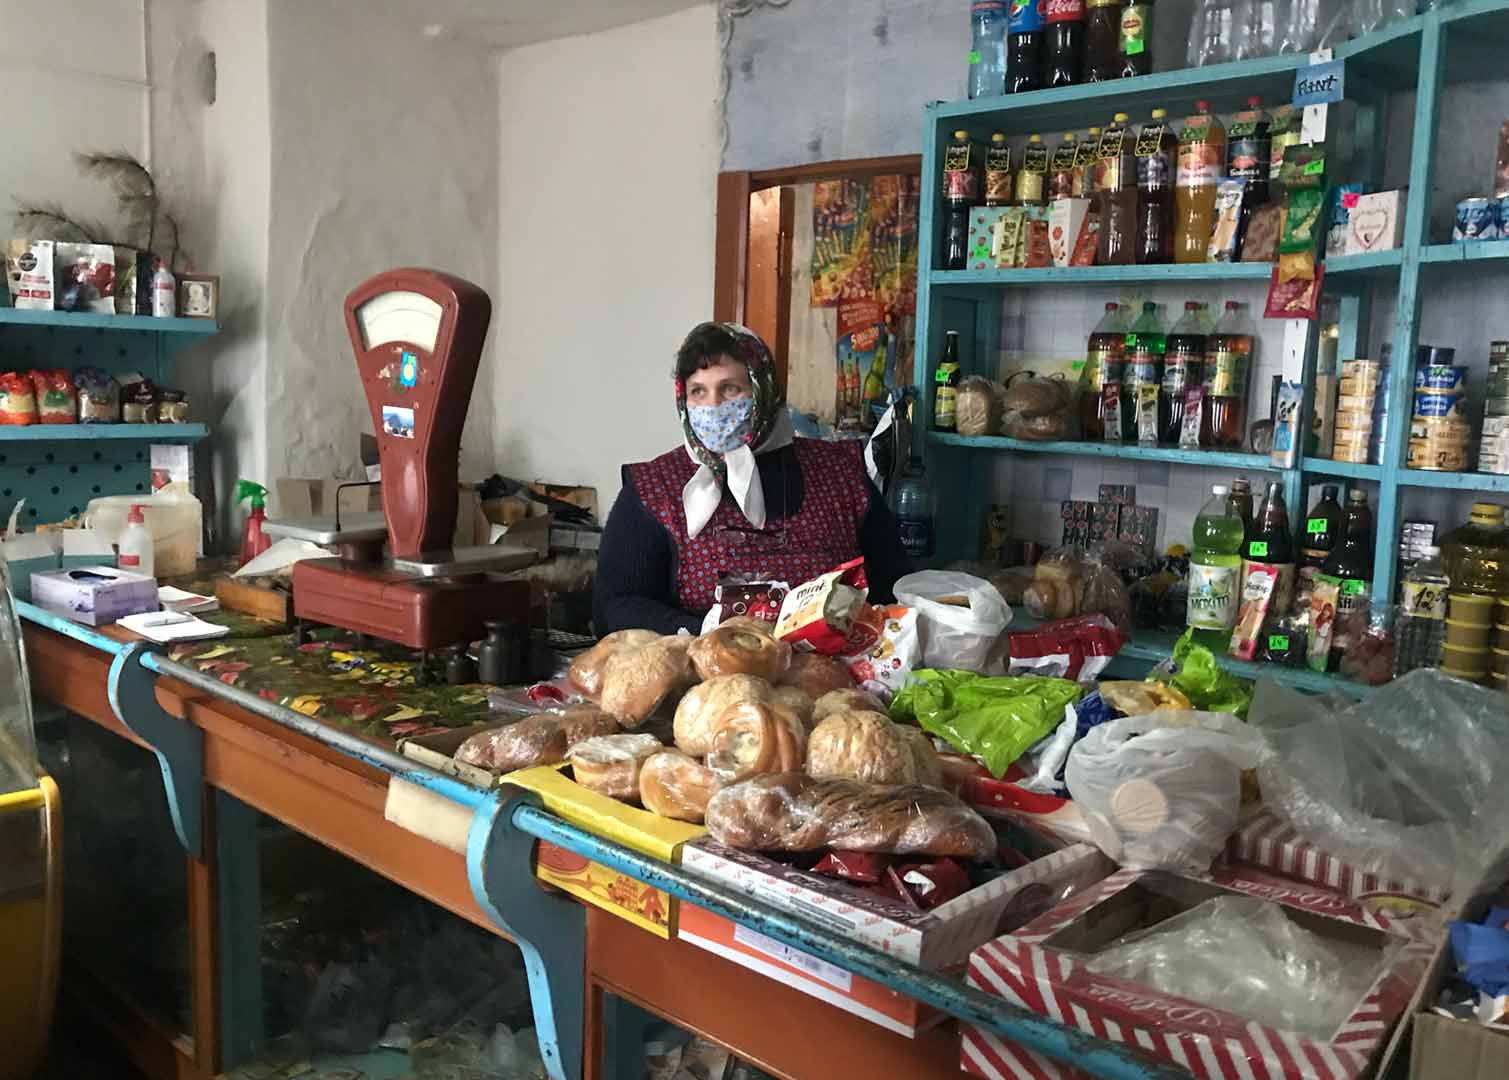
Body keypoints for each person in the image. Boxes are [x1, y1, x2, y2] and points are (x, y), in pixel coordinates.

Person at [594, 322, 910, 635]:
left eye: (730, 389)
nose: (713, 406)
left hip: (832, 674)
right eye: (698, 392)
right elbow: (616, 606)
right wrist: (703, 632)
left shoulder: (840, 475)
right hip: (704, 677)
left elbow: (895, 587)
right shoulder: (655, 489)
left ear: (765, 389)